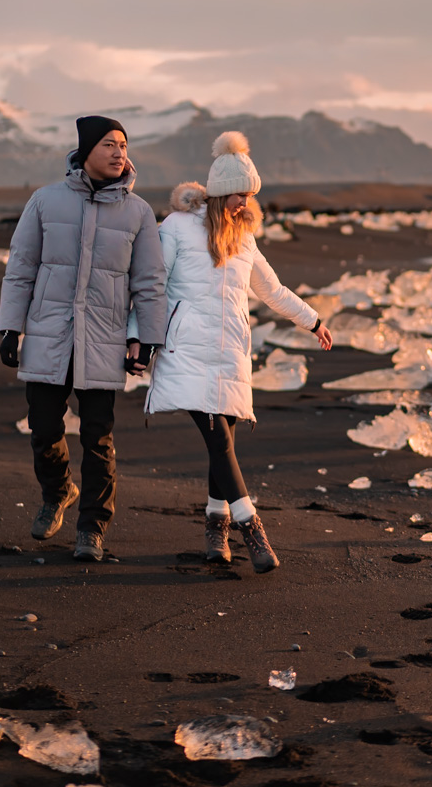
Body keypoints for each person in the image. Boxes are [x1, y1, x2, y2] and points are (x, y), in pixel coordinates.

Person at [128, 131, 332, 573]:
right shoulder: (178, 228)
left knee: (225, 443)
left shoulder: (244, 239)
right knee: (217, 436)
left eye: (251, 194)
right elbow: (152, 286)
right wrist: (137, 339)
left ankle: (214, 530)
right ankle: (250, 526)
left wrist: (312, 320)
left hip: (230, 350)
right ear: (221, 191)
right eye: (241, 194)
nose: (246, 202)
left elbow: (272, 290)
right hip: (185, 346)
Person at [0, 116, 166, 562]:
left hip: (105, 342)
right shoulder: (44, 201)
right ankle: (57, 492)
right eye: (109, 144)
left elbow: (149, 282)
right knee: (44, 429)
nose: (119, 153)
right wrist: (10, 327)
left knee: (98, 437)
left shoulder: (138, 212)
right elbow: (21, 269)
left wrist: (145, 340)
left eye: (124, 145)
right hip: (49, 335)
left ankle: (91, 527)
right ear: (86, 150)